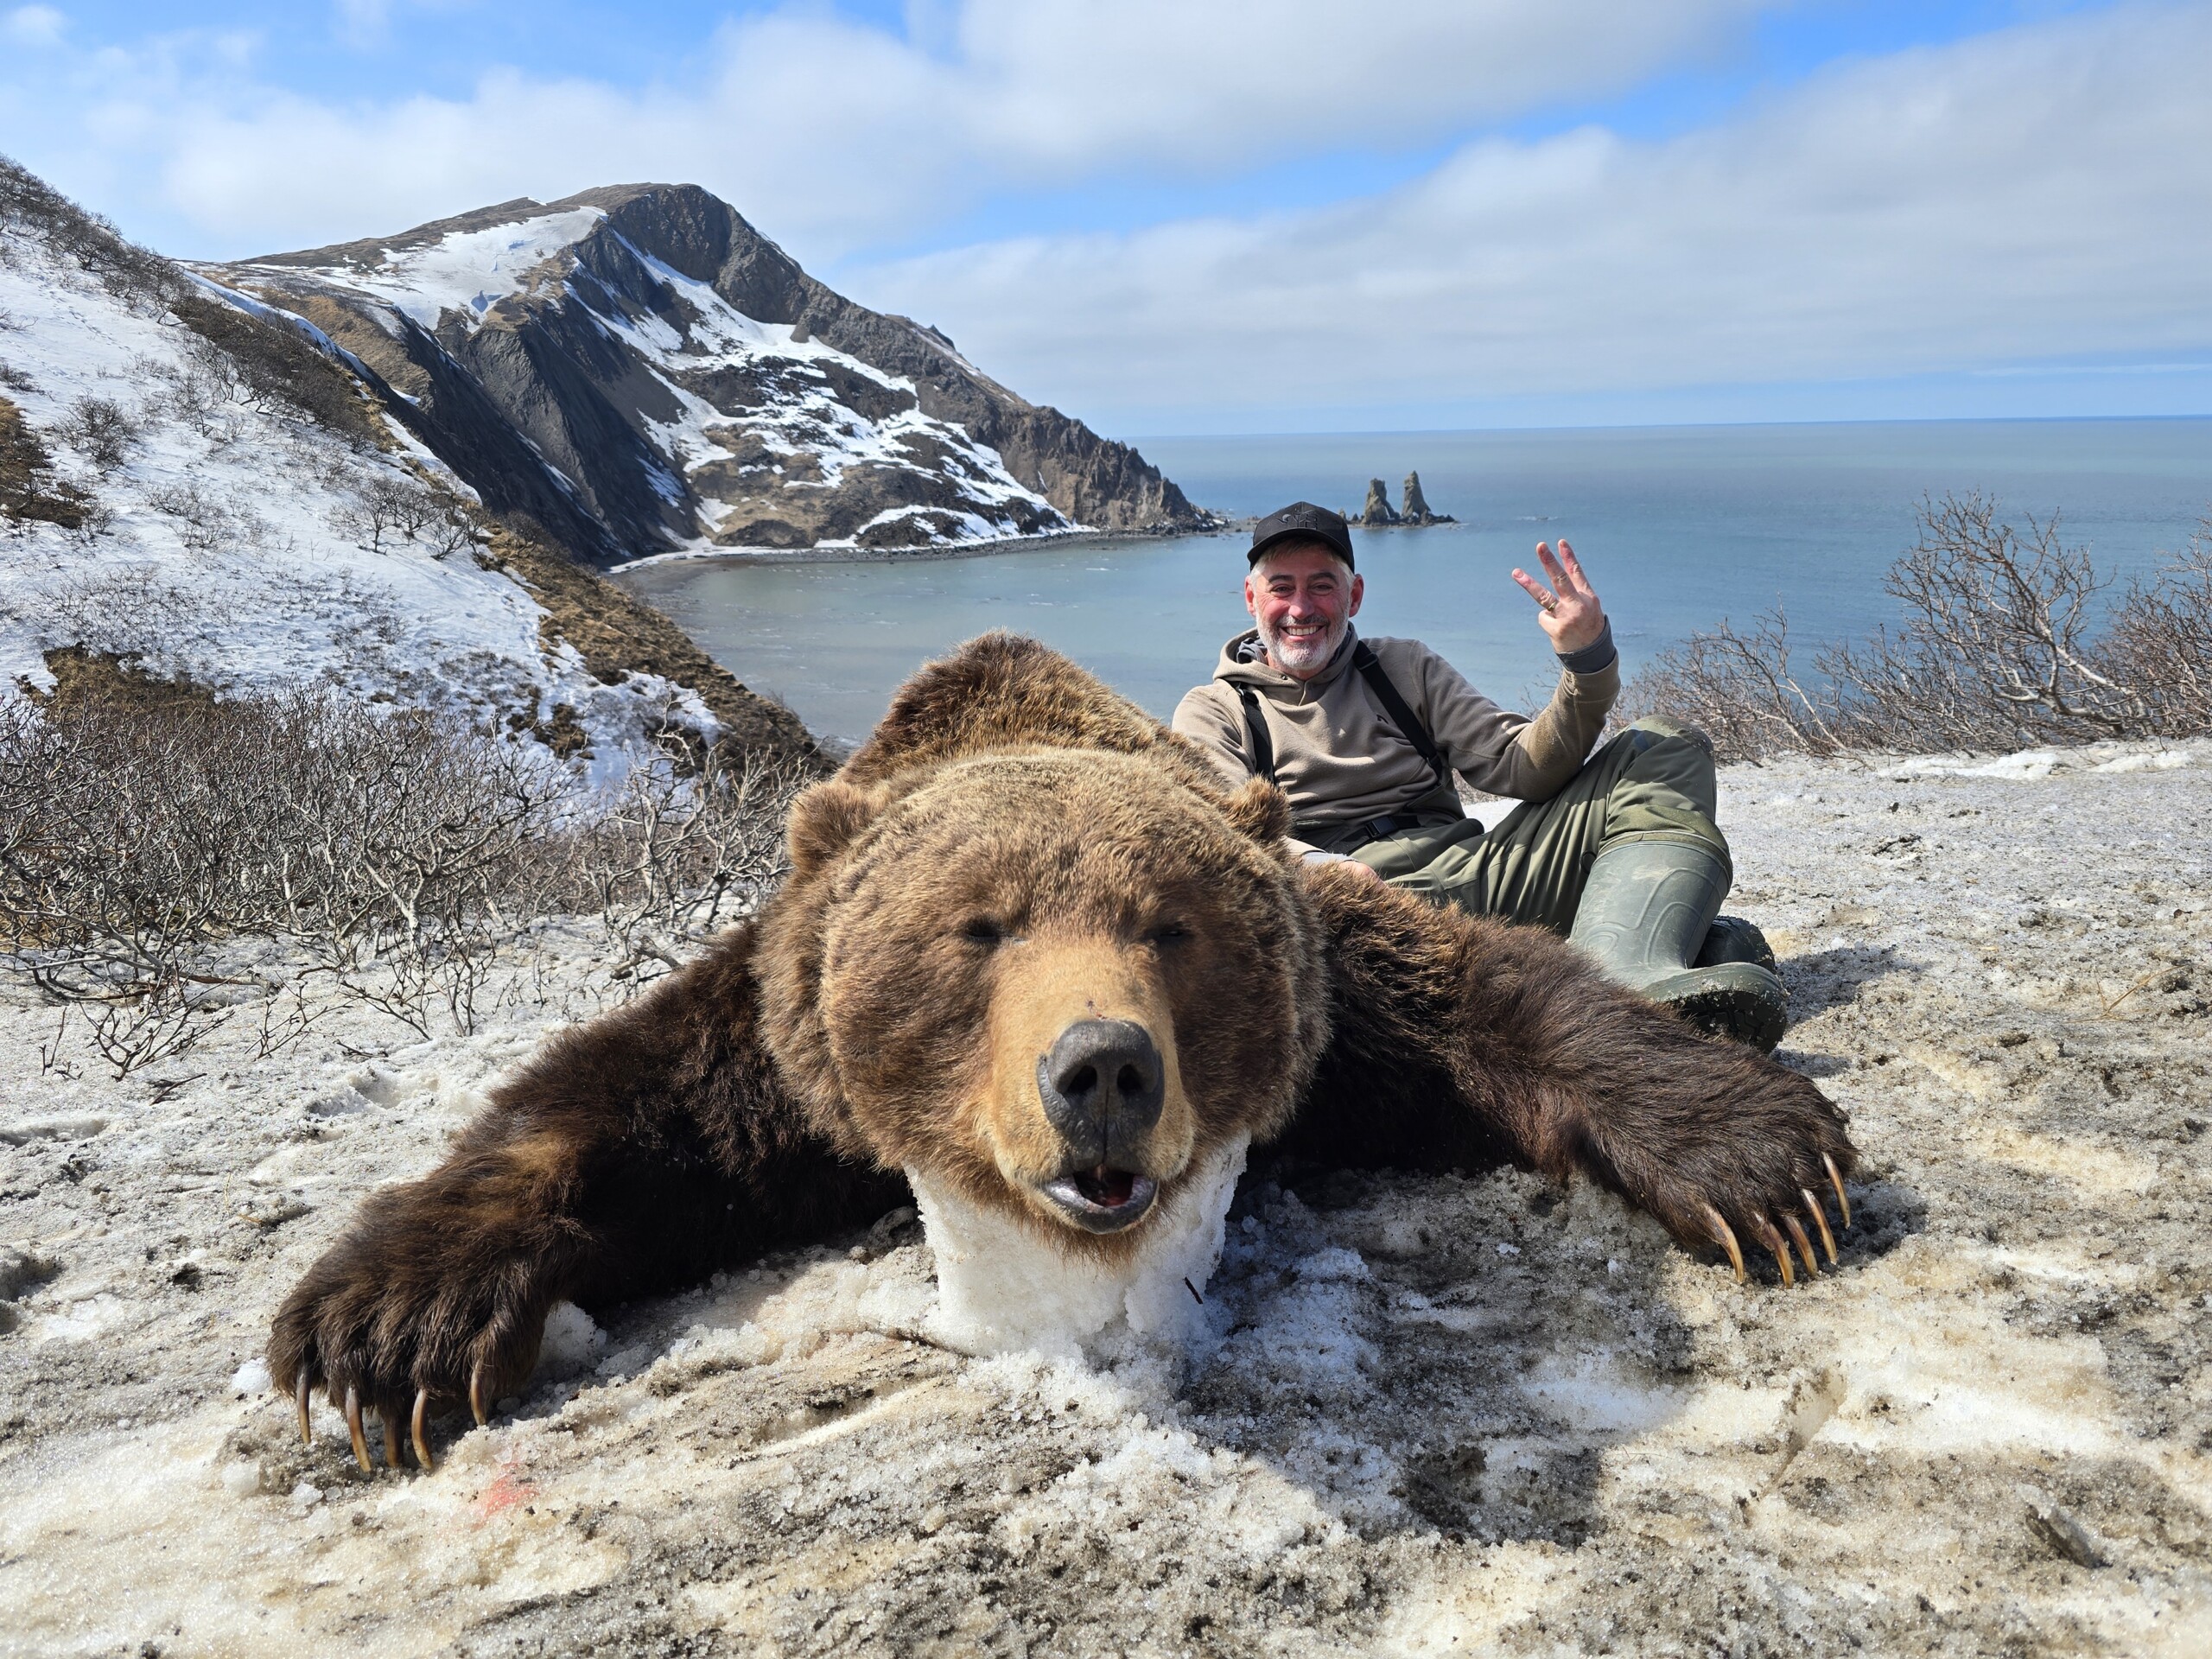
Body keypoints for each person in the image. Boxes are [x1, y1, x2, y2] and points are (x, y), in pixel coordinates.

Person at [1172, 501, 1787, 1051]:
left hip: (1480, 874)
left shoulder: (1404, 668)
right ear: (1252, 599)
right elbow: (1229, 839)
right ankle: (1655, 960)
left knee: (1664, 745)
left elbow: (1521, 764)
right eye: (1282, 588)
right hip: (1360, 916)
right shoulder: (1216, 710)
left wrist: (1587, 657)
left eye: (1322, 586)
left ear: (1354, 596)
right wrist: (1328, 872)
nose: (1301, 608)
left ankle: (1630, 979)